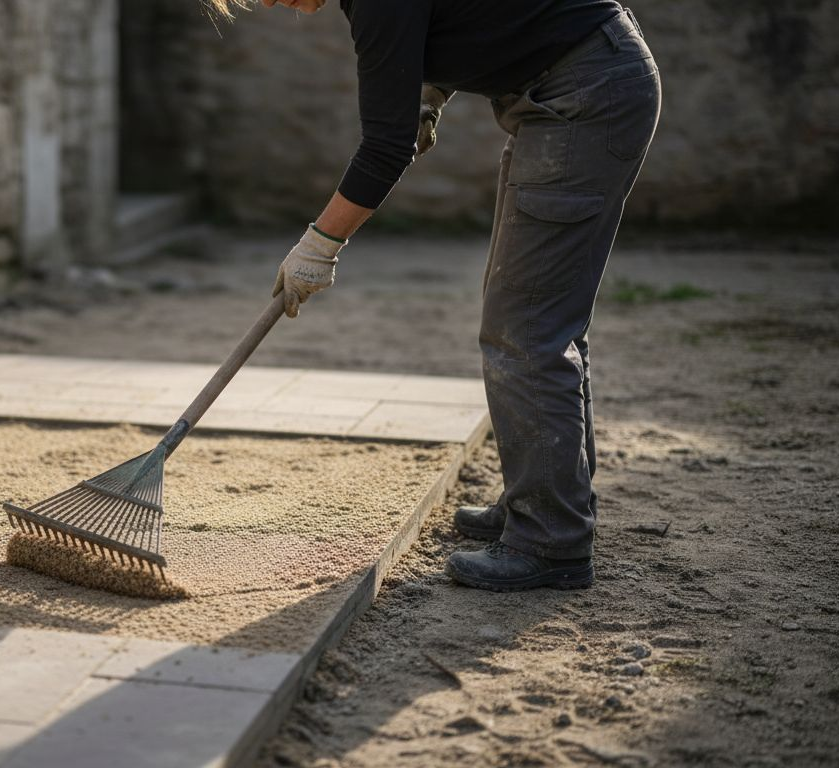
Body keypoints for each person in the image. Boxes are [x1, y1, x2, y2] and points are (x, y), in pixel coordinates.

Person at [217, 0, 661, 590]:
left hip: (583, 98)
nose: (268, 4)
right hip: (570, 90)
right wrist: (431, 89)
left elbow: (385, 148)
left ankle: (552, 540)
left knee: (527, 327)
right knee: (530, 317)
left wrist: (321, 244)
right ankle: (542, 501)